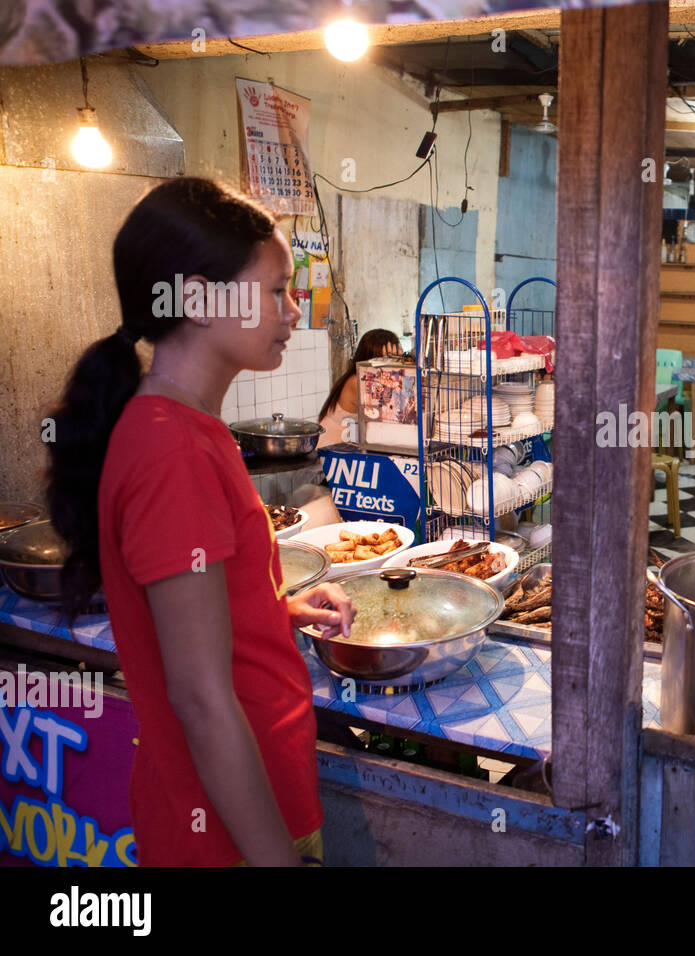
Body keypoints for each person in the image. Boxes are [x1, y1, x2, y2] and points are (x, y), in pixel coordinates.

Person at [46, 177, 356, 866]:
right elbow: (200, 698)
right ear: (197, 297)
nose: (294, 310)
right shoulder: (170, 449)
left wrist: (280, 611)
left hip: (249, 809)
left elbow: (196, 628)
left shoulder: (188, 428)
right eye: (277, 290)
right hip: (225, 836)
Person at [318, 328, 401, 446]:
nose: (397, 363)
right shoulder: (357, 382)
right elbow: (389, 411)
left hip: (343, 448)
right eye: (391, 358)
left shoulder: (362, 378)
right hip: (330, 450)